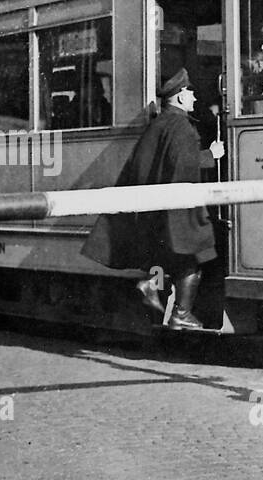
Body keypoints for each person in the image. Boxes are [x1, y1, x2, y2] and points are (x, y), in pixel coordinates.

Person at [80, 68, 225, 331]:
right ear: (180, 98)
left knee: (173, 256)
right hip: (178, 208)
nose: (194, 97)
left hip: (155, 207)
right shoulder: (182, 127)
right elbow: (183, 166)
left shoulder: (158, 123)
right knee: (196, 255)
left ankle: (150, 285)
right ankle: (181, 313)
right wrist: (210, 156)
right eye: (190, 93)